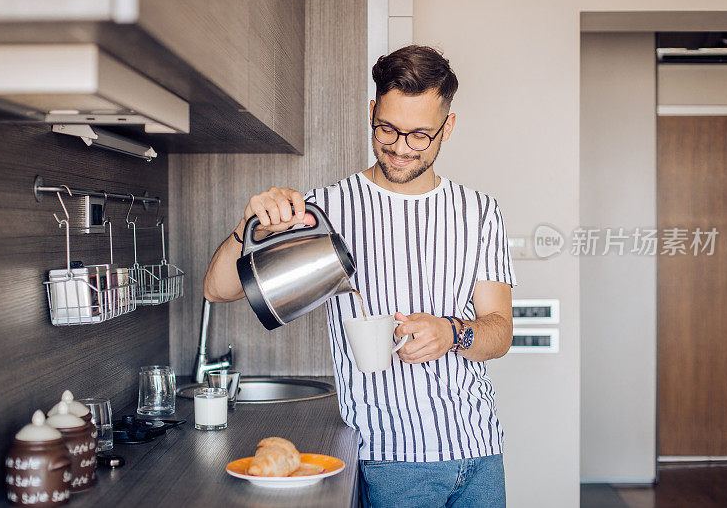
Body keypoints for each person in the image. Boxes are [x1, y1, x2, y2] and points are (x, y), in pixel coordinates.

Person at [204, 45, 515, 507]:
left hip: (479, 455)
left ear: (447, 129)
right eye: (388, 128)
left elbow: (500, 331)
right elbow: (219, 288)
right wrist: (248, 227)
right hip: (388, 459)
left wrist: (451, 332)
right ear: (372, 112)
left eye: (420, 135)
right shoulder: (324, 211)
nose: (400, 147)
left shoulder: (480, 213)